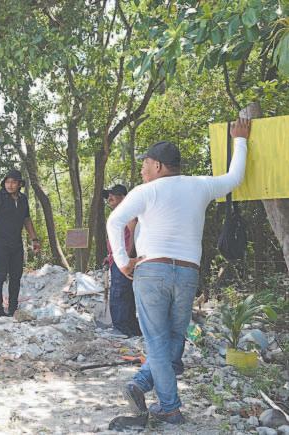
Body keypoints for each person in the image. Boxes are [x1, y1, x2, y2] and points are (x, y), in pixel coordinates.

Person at [106, 119, 251, 424]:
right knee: (173, 338)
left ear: (158, 166)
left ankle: (169, 406)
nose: (142, 169)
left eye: (146, 163)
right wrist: (240, 139)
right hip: (187, 272)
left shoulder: (145, 191)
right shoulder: (200, 185)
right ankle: (141, 384)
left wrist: (122, 261)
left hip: (151, 270)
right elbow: (235, 178)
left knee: (158, 341)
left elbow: (114, 221)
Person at [0, 169, 41, 318]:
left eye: (13, 182)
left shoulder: (23, 199)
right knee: (0, 276)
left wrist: (34, 239)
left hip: (16, 245)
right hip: (0, 244)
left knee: (16, 276)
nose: (10, 185)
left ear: (19, 184)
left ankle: (13, 308)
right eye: (7, 182)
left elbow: (27, 220)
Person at [102, 184, 142, 337]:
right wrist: (110, 256)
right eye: (108, 195)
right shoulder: (118, 215)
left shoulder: (128, 214)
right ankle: (129, 328)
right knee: (121, 293)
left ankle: (122, 328)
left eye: (114, 194)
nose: (109, 198)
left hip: (123, 262)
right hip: (116, 260)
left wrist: (127, 258)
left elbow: (131, 236)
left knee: (120, 293)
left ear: (123, 197)